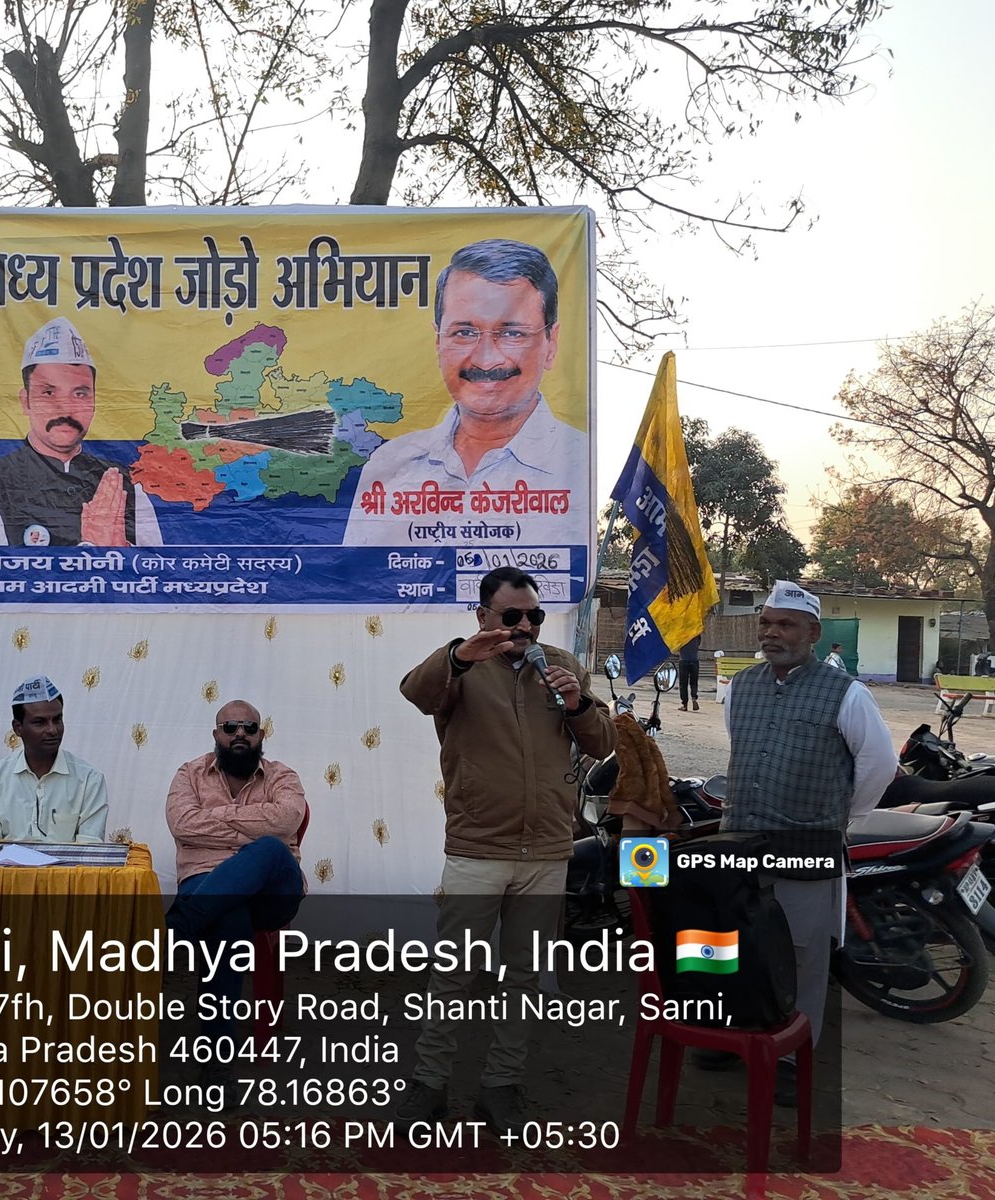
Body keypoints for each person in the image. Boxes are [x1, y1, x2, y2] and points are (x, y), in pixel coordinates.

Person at [395, 566, 616, 1135]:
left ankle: (501, 1085)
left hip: (546, 849)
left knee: (524, 975)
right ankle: (429, 1084)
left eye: (534, 616)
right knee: (453, 975)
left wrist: (577, 705)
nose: (524, 626)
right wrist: (458, 656)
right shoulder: (461, 666)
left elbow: (602, 743)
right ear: (483, 615)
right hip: (479, 847)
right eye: (511, 615)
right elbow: (416, 693)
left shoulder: (561, 667)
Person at [712, 581, 896, 1105]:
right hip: (741, 842)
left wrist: (839, 816)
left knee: (801, 955)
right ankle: (734, 1035)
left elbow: (879, 765)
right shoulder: (740, 686)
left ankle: (793, 1057)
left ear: (813, 633)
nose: (772, 633)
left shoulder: (846, 693)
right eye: (766, 622)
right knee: (737, 945)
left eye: (785, 625)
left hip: (807, 846)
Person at [343, 239, 585, 546]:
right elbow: (360, 573)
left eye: (512, 333)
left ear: (551, 343)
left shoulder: (577, 461)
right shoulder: (389, 464)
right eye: (465, 333)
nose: (486, 360)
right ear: (438, 342)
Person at [164, 700, 307, 1064]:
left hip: (272, 893)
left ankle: (178, 928)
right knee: (228, 919)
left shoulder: (283, 776)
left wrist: (216, 819)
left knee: (271, 850)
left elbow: (287, 818)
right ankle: (218, 1059)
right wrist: (252, 827)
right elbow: (182, 823)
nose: (240, 733)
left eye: (249, 727)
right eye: (230, 728)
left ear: (261, 734)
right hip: (204, 879)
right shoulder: (189, 774)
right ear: (216, 734)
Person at [0, 316, 162, 547]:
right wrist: (95, 546)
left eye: (80, 394)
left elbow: (157, 566)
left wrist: (120, 546)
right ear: (26, 402)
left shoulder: (125, 485)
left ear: (94, 402)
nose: (65, 409)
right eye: (49, 393)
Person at [0, 675, 109, 842]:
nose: (53, 730)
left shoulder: (89, 780)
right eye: (40, 722)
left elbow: (89, 850)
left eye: (57, 720)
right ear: (18, 728)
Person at [678, 634, 702, 711]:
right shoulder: (696, 633)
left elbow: (677, 645)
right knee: (694, 682)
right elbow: (698, 643)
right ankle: (694, 698)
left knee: (683, 684)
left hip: (683, 660)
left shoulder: (681, 633)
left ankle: (685, 705)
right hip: (694, 660)